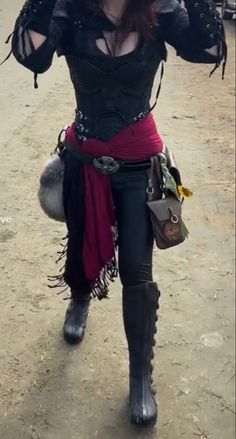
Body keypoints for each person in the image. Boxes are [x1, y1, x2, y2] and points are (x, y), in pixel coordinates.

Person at [2, 0, 227, 427]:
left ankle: (140, 376)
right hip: (84, 157)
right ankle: (79, 298)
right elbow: (32, 56)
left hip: (139, 162)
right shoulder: (69, 12)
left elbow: (211, 49)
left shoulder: (161, 12)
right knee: (83, 238)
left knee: (137, 273)